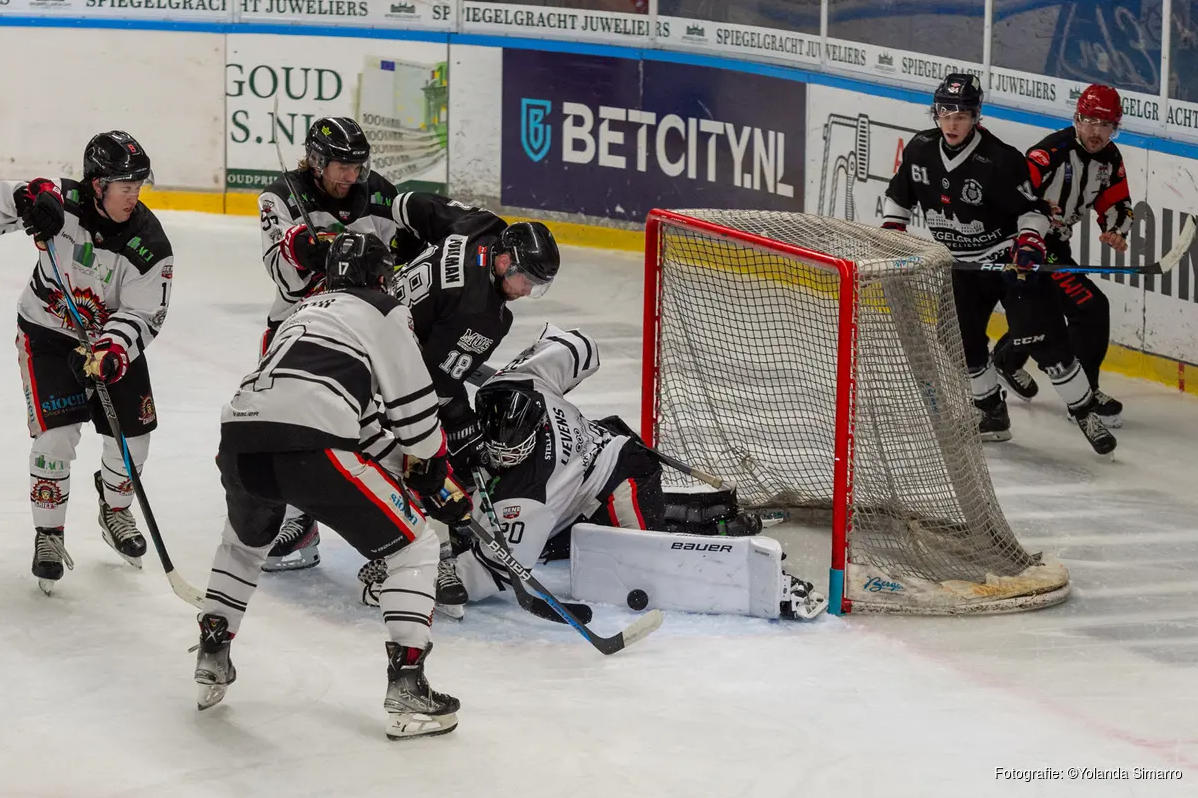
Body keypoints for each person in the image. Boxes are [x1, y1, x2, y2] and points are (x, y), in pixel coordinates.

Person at [193, 231, 471, 740]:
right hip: (309, 443)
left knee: (243, 544)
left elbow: (364, 426)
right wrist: (433, 467)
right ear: (381, 276)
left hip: (240, 439)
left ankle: (213, 651)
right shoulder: (382, 310)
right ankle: (408, 685)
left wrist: (422, 473)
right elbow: (414, 410)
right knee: (416, 547)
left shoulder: (306, 313)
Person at [358, 323, 826, 621]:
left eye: (512, 451)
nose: (501, 458)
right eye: (495, 449)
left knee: (647, 561)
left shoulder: (532, 494)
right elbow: (581, 345)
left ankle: (726, 526)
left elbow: (492, 573)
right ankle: (709, 512)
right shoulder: (518, 382)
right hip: (579, 480)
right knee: (562, 547)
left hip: (618, 472)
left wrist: (420, 576)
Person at [882, 73, 1116, 455]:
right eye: (945, 113)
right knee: (962, 342)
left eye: (962, 114)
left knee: (1047, 343)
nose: (953, 122)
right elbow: (898, 198)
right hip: (961, 268)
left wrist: (1027, 243)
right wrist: (893, 235)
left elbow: (1035, 212)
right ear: (936, 113)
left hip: (1010, 267)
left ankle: (1085, 410)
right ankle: (991, 412)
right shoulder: (920, 150)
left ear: (976, 116)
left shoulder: (1000, 160)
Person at [0, 131, 172, 595]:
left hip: (111, 345)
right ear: (95, 184)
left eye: (138, 185)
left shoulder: (149, 243)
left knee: (133, 442)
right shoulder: (61, 202)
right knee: (56, 438)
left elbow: (144, 313)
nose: (133, 195)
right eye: (123, 185)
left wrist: (111, 351)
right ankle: (49, 535)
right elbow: (14, 198)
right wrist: (24, 200)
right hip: (47, 335)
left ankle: (114, 507)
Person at [388, 207, 560, 616]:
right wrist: (464, 426)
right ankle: (408, 559)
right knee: (432, 455)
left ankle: (447, 536)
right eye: (526, 280)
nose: (527, 292)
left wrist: (402, 251)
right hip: (386, 375)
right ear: (504, 262)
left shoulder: (482, 227)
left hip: (374, 316)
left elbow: (408, 203)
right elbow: (435, 384)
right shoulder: (482, 316)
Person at [991, 84, 1133, 428]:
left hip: (1057, 245)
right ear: (1077, 119)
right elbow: (1014, 189)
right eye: (1090, 122)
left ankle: (1007, 361)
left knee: (1046, 310)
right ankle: (1085, 394)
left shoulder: (1111, 159)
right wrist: (1035, 211)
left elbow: (1117, 203)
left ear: (1114, 127)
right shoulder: (1051, 152)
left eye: (1105, 125)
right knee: (1090, 306)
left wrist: (1115, 229)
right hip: (1029, 243)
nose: (1096, 132)